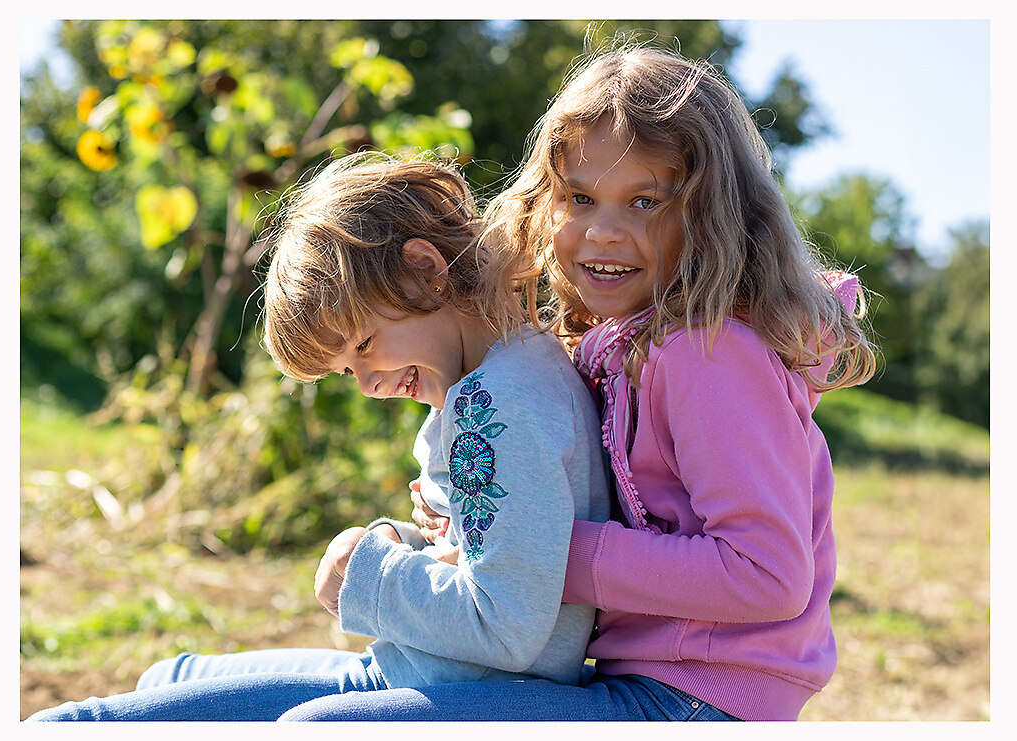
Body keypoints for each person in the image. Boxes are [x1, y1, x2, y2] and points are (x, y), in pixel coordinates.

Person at [300, 43, 877, 722]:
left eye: (643, 200)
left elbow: (768, 574)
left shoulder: (709, 356)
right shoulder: (622, 344)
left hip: (699, 698)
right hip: (650, 679)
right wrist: (487, 530)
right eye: (580, 197)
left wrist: (544, 550)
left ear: (709, 213)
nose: (604, 231)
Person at [26, 154, 611, 721]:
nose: (369, 386)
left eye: (363, 346)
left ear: (426, 270)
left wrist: (365, 570)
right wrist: (397, 539)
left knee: (81, 726)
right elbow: (492, 552)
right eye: (345, 371)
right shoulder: (500, 377)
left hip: (454, 687)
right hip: (426, 669)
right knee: (168, 680)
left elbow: (503, 623)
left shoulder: (499, 403)